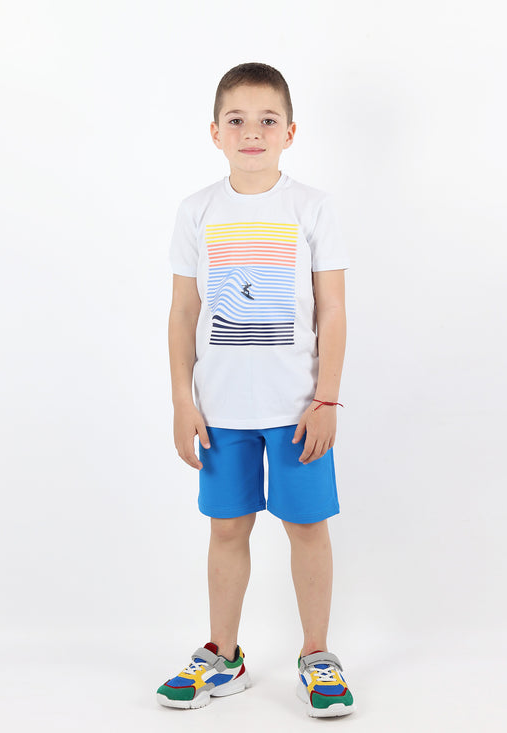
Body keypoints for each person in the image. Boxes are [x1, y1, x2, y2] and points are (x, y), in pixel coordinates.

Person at [156, 62, 356, 718]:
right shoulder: (197, 211)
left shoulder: (311, 208)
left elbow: (332, 309)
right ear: (214, 132)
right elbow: (183, 311)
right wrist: (182, 400)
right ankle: (224, 655)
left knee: (307, 527)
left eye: (267, 120)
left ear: (289, 132)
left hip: (297, 410)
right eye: (236, 120)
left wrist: (325, 399)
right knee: (226, 529)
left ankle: (317, 653)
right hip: (220, 412)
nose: (251, 132)